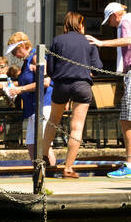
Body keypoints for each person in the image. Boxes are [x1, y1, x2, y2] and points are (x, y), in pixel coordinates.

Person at [87, 2, 131, 178]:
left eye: (110, 20)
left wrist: (100, 43)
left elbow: (126, 41)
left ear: (115, 15)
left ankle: (130, 165)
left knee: (126, 119)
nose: (111, 24)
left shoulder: (125, 22)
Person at [40, 12, 102, 178]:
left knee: (53, 120)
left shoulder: (57, 40)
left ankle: (43, 157)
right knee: (77, 126)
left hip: (61, 85)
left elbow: (51, 69)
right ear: (81, 25)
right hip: (82, 85)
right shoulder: (89, 41)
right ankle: (68, 168)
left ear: (66, 25)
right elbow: (98, 68)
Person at [5, 31, 54, 168]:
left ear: (22, 47)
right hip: (32, 106)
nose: (14, 55)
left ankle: (49, 172)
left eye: (14, 51)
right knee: (31, 142)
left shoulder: (36, 57)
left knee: (43, 143)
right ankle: (37, 172)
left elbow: (45, 82)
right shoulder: (27, 61)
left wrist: (20, 89)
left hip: (43, 104)